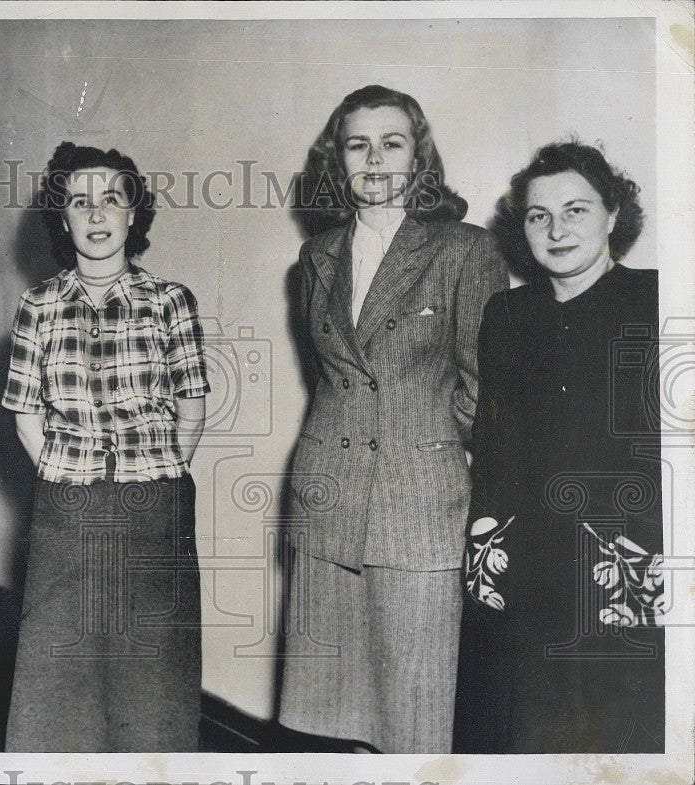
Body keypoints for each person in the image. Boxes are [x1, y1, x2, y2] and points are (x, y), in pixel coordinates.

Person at [278, 85, 508, 753]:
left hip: (418, 509)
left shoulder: (466, 249)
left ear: (418, 156)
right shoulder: (316, 255)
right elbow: (331, 377)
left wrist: (427, 442)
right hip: (329, 500)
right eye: (358, 143)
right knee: (335, 718)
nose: (374, 157)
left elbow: (483, 386)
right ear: (337, 159)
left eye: (392, 141)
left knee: (415, 718)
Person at [452, 141, 663, 753]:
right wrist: (485, 549)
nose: (557, 229)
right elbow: (492, 446)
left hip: (622, 552)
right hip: (523, 553)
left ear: (613, 215)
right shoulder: (507, 314)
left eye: (576, 209)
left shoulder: (657, 301)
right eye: (539, 215)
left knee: (612, 732)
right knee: (515, 728)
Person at [1, 143, 209, 752]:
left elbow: (191, 409)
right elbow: (23, 414)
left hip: (156, 505)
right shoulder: (38, 306)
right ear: (61, 220)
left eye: (111, 200)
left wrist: (151, 472)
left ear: (132, 216)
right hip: (67, 507)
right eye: (80, 202)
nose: (96, 215)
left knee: (153, 670)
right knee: (59, 670)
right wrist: (68, 476)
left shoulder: (170, 301)